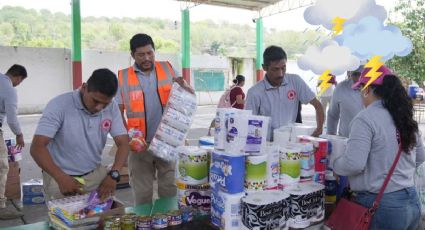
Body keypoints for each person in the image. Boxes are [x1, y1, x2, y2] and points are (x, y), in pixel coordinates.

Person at [332, 66, 424, 230]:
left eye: (361, 88)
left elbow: (354, 164)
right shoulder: (404, 116)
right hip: (411, 203)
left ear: (367, 89)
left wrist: (336, 165)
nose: (361, 94)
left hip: (383, 207)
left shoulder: (365, 118)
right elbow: (420, 157)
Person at [116, 33, 193, 205]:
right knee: (142, 194)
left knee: (170, 191)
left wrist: (185, 86)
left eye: (150, 53)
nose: (146, 58)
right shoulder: (123, 77)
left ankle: (170, 223)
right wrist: (127, 138)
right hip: (139, 145)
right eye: (141, 54)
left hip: (168, 141)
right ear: (132, 55)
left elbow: (187, 96)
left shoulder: (168, 69)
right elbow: (117, 111)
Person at [30, 69, 129, 202]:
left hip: (94, 176)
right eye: (95, 101)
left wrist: (113, 174)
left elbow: (123, 143)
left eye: (105, 103)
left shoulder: (112, 107)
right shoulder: (59, 105)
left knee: (102, 220)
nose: (100, 108)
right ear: (84, 88)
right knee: (63, 222)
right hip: (60, 178)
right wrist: (60, 177)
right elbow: (37, 147)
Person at [245, 45, 324, 140]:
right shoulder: (255, 92)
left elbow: (317, 105)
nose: (280, 74)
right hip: (266, 144)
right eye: (275, 69)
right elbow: (249, 123)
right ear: (264, 67)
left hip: (291, 143)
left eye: (283, 68)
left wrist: (319, 128)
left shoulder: (295, 81)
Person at [0, 64, 27, 219]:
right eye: (19, 81)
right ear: (18, 77)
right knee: (2, 167)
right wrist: (19, 134)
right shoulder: (10, 89)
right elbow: (12, 118)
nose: (18, 84)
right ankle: (0, 205)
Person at [327, 66, 364, 137]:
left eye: (361, 74)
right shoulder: (341, 88)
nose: (358, 78)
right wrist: (331, 137)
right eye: (355, 74)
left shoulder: (376, 90)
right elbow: (332, 115)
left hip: (370, 143)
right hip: (345, 140)